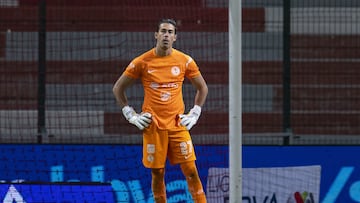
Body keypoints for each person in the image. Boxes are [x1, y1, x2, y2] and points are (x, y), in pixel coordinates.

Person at [112, 18, 208, 202]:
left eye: (170, 32)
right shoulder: (142, 61)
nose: (166, 35)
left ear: (175, 37)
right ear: (156, 35)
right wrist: (130, 115)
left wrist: (195, 113)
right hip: (153, 125)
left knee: (191, 171)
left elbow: (202, 88)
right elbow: (118, 88)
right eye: (163, 31)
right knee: (158, 173)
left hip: (178, 124)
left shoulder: (185, 61)